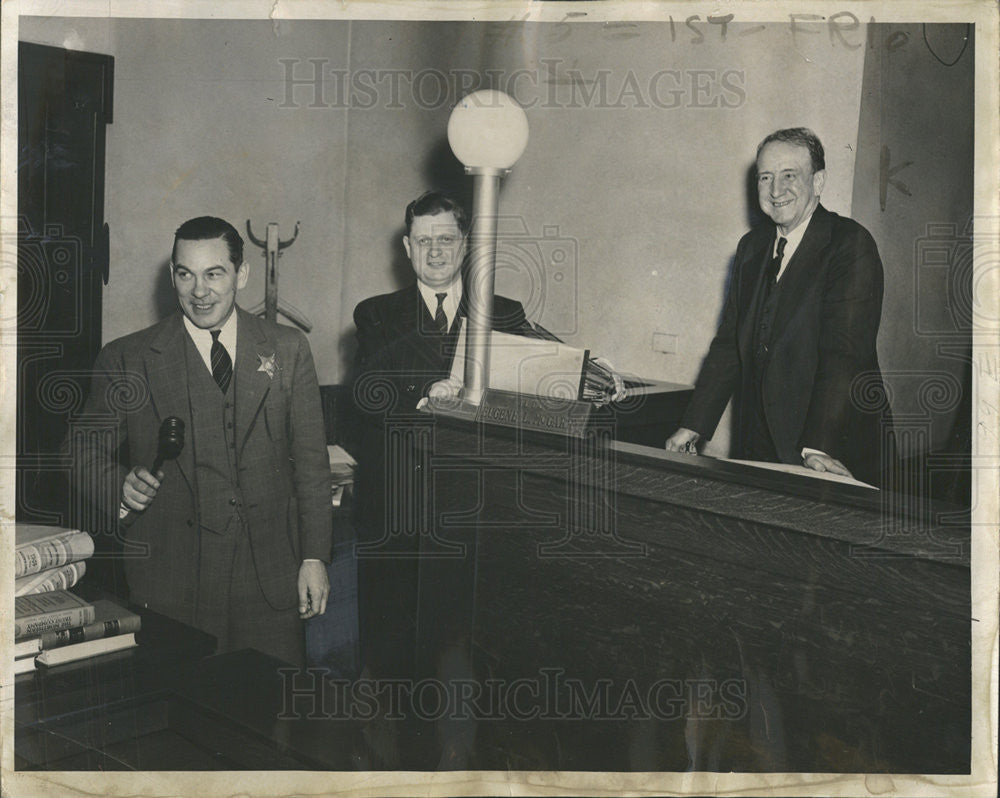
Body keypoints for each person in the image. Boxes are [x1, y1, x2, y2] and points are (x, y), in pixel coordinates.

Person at [73, 216, 332, 666]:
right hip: (171, 587)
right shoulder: (128, 358)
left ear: (241, 275)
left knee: (269, 724)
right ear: (172, 275)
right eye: (185, 274)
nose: (199, 291)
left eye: (214, 273)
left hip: (270, 582)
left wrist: (315, 558)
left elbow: (312, 465)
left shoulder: (288, 350)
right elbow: (79, 452)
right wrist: (120, 486)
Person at [666, 128, 890, 486]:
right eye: (765, 177)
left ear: (818, 182)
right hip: (760, 441)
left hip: (830, 444)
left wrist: (818, 447)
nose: (775, 190)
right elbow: (728, 345)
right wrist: (693, 424)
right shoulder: (751, 247)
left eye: (790, 176)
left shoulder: (850, 244)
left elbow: (844, 354)